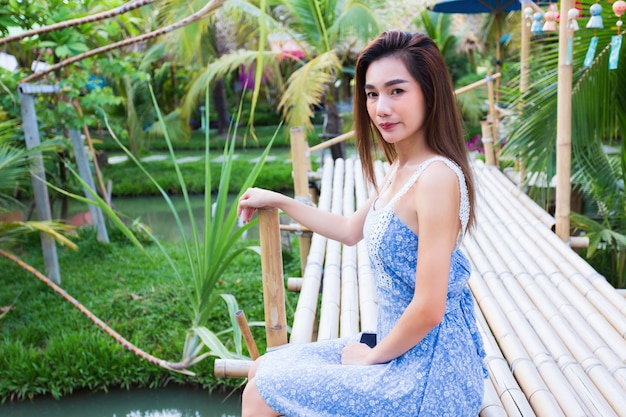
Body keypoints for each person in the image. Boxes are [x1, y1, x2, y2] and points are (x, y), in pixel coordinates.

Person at [237, 30, 488, 417]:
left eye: (396, 91)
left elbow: (429, 308)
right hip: (397, 348)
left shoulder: (437, 177)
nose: (381, 108)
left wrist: (371, 359)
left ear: (429, 92)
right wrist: (280, 200)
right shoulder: (402, 168)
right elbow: (349, 229)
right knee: (261, 369)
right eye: (372, 94)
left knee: (260, 392)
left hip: (430, 374)